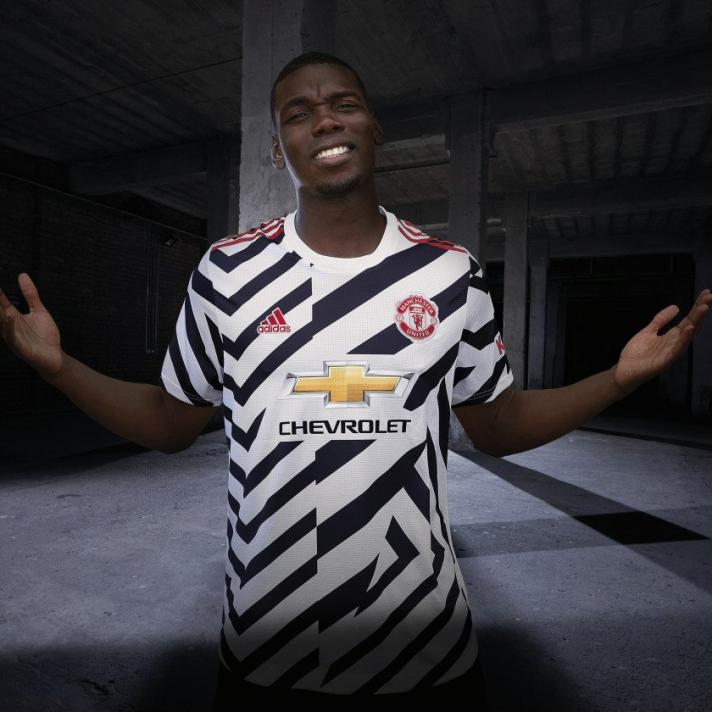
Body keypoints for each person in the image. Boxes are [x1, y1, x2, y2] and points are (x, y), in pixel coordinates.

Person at [1, 51, 710, 710]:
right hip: (266, 645)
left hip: (426, 645)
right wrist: (60, 369)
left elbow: (498, 425)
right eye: (299, 113)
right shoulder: (227, 271)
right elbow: (168, 422)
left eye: (343, 104)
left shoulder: (449, 272)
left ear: (374, 127)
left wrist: (616, 380)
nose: (325, 121)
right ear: (278, 148)